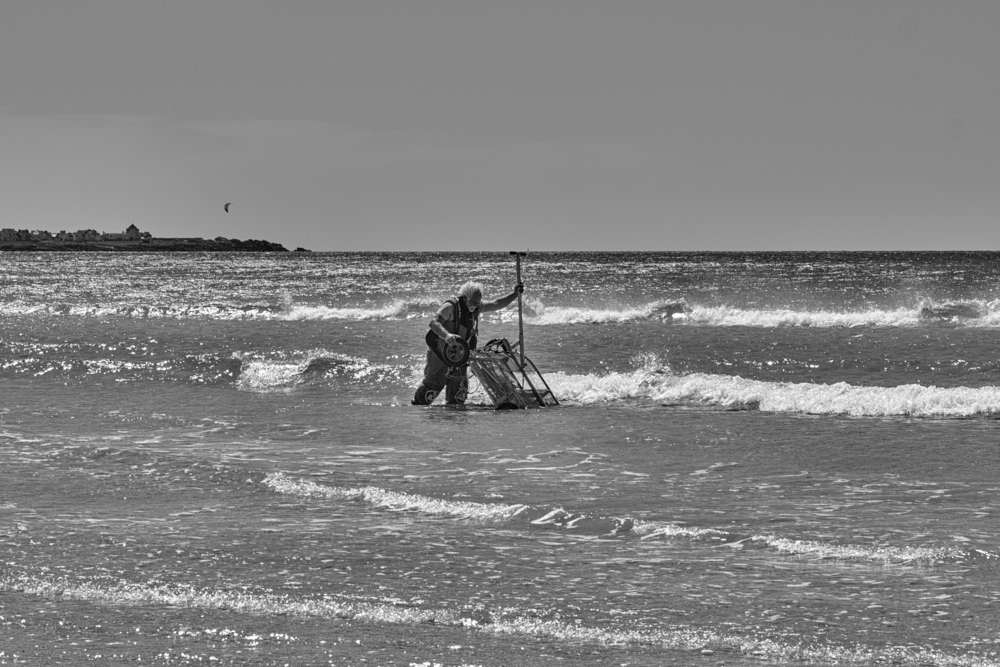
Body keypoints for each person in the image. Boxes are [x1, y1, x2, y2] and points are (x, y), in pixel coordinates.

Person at [412, 280, 523, 405]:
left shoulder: (476, 306)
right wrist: (447, 336)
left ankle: (453, 419)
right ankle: (417, 411)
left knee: (458, 397)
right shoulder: (450, 306)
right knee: (428, 393)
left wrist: (515, 294)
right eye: (474, 303)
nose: (476, 306)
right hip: (440, 355)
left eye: (478, 303)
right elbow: (434, 323)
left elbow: (497, 303)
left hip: (460, 357)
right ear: (465, 298)